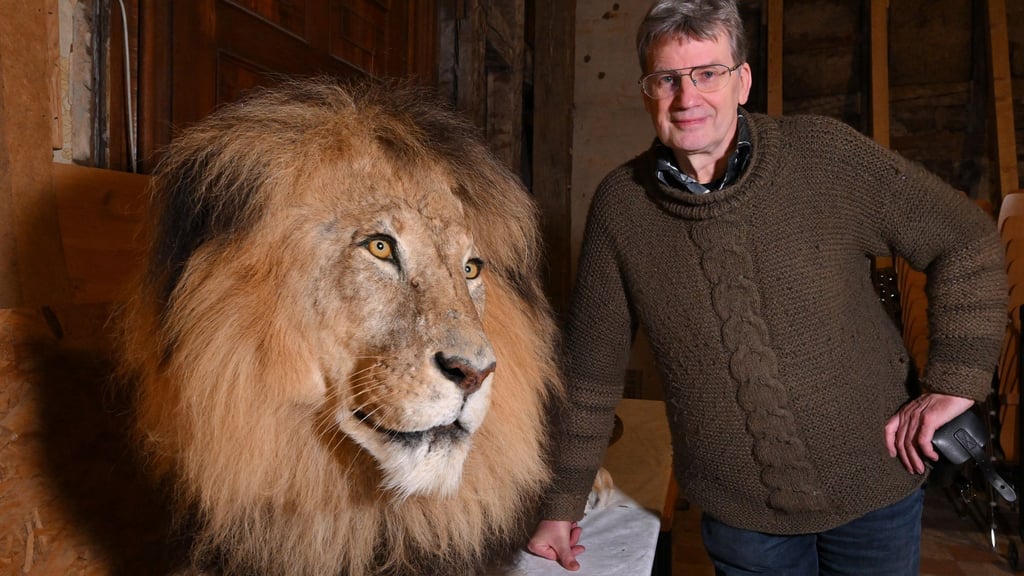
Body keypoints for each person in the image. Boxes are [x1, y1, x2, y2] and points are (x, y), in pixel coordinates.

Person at [527, 0, 1008, 574]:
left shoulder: (825, 156)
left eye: (708, 73)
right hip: (741, 516)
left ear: (743, 80)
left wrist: (955, 381)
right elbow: (590, 370)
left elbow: (966, 238)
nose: (688, 98)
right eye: (667, 79)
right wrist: (560, 504)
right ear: (646, 90)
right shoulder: (621, 207)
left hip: (875, 484)